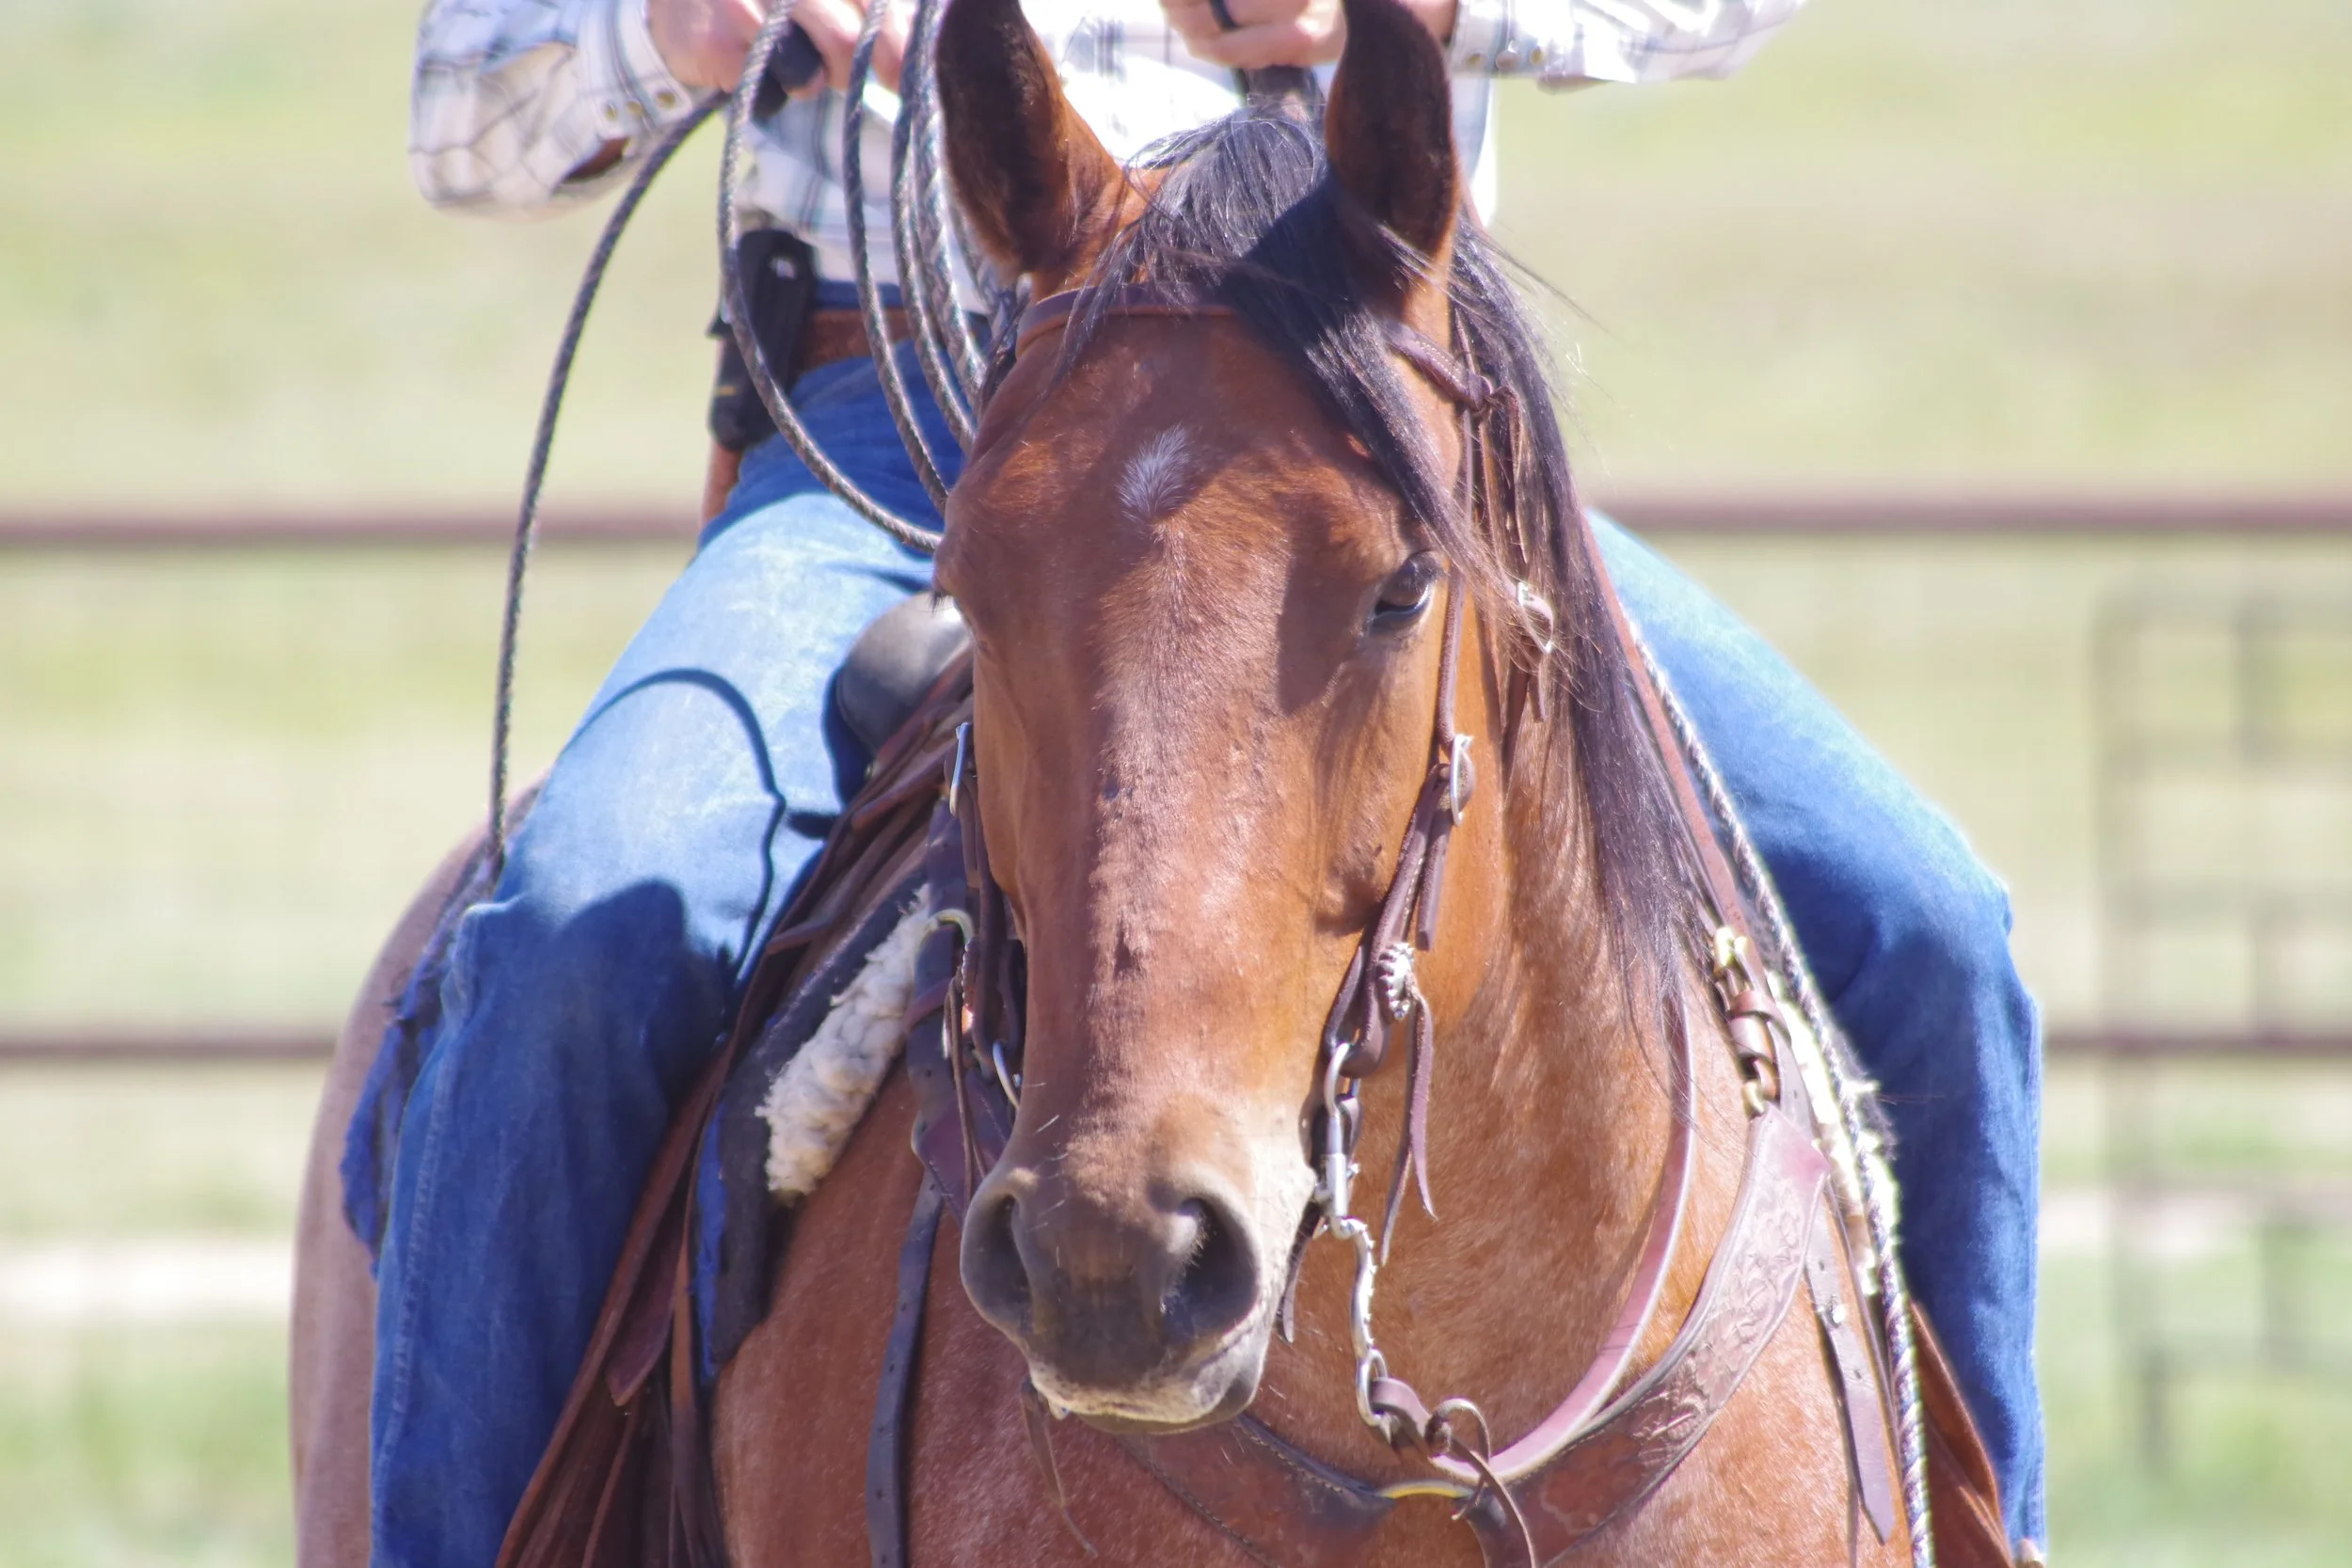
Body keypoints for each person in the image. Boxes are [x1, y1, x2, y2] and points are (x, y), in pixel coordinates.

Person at [357, 0, 2043, 1561]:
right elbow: (465, 106)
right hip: (904, 413)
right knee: (573, 942)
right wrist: (666, 29)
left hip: (1351, 420)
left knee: (1930, 928)